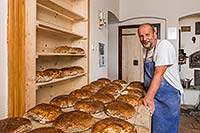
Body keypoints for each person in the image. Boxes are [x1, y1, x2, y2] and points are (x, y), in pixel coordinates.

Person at [137, 23, 183, 133]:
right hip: (154, 94)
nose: (144, 39)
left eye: (147, 34)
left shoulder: (163, 46)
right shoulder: (146, 50)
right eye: (141, 36)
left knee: (166, 128)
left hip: (168, 97)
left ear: (155, 34)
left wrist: (148, 97)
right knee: (154, 128)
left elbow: (159, 73)